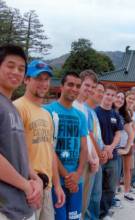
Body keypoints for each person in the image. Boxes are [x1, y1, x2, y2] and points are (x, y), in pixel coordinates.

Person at [14, 60, 65, 220]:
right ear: (26, 79)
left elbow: (50, 151)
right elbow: (13, 151)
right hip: (28, 187)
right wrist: (28, 182)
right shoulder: (18, 107)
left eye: (47, 79)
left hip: (46, 187)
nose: (43, 83)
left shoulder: (46, 114)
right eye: (38, 78)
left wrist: (57, 185)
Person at [0, 44, 42, 220]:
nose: (16, 72)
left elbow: (19, 153)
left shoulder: (13, 108)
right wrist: (26, 185)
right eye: (10, 66)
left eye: (21, 69)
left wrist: (36, 178)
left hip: (22, 206)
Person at [44, 71, 88, 220]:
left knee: (74, 217)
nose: (74, 89)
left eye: (77, 86)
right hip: (56, 180)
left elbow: (84, 148)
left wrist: (78, 174)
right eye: (70, 84)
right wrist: (67, 177)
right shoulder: (48, 111)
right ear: (61, 86)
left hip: (77, 180)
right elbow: (48, 148)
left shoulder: (80, 116)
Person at [72, 69, 100, 219]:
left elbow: (88, 135)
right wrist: (90, 158)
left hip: (89, 160)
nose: (90, 89)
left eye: (92, 87)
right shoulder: (74, 106)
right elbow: (79, 138)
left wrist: (95, 157)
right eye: (87, 85)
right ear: (80, 84)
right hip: (78, 161)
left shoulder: (86, 109)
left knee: (84, 202)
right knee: (77, 202)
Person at [95, 84, 123, 219]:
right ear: (103, 94)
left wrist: (110, 147)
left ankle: (103, 213)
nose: (110, 97)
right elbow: (93, 134)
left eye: (113, 95)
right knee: (96, 188)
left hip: (113, 156)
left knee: (111, 187)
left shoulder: (115, 115)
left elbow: (118, 134)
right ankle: (94, 214)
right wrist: (103, 149)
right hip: (98, 155)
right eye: (108, 94)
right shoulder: (94, 112)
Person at [84, 82, 108, 220]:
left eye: (102, 92)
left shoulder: (93, 111)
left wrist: (103, 149)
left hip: (98, 156)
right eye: (98, 90)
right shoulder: (85, 110)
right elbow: (89, 134)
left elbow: (98, 135)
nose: (100, 94)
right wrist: (99, 153)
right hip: (91, 157)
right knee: (89, 194)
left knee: (96, 194)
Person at [114, 92, 135, 202]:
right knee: (116, 171)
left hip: (125, 144)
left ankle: (127, 191)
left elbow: (131, 132)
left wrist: (128, 147)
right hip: (114, 146)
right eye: (118, 97)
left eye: (122, 98)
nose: (120, 100)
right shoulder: (110, 111)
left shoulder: (125, 113)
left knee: (127, 170)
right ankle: (115, 192)